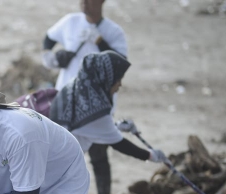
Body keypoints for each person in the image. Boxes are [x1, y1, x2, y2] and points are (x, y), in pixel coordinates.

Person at [42, 0, 127, 194]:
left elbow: (122, 63)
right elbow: (48, 38)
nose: (85, 4)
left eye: (90, 0)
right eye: (82, 0)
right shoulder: (70, 22)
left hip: (98, 106)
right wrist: (51, 58)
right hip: (67, 101)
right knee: (63, 156)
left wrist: (100, 41)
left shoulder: (113, 31)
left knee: (99, 154)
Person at [50, 51, 168, 179]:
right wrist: (150, 155)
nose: (120, 84)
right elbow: (119, 143)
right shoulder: (95, 111)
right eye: (118, 79)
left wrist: (117, 126)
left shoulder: (76, 86)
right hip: (59, 170)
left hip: (52, 157)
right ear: (105, 77)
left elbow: (89, 128)